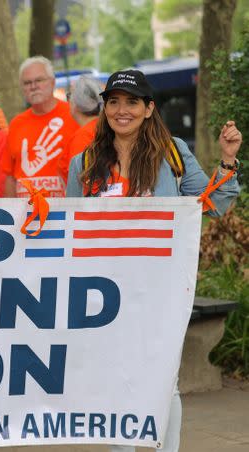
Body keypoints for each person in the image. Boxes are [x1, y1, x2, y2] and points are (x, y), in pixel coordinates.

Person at [66, 69, 242, 452]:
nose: (121, 110)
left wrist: (227, 163)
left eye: (131, 102)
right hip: (104, 293)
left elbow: (211, 204)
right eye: (113, 101)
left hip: (160, 289)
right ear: (104, 109)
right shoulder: (84, 162)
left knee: (165, 381)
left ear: (148, 109)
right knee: (116, 381)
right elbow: (69, 228)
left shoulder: (172, 152)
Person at [2, 56, 80, 198]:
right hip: (24, 213)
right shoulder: (16, 123)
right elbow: (9, 177)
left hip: (63, 212)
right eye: (27, 83)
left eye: (39, 80)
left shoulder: (74, 115)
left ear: (52, 82)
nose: (33, 86)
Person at [59, 75, 103, 183]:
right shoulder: (106, 127)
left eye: (69, 96)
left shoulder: (83, 136)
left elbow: (78, 180)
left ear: (76, 105)